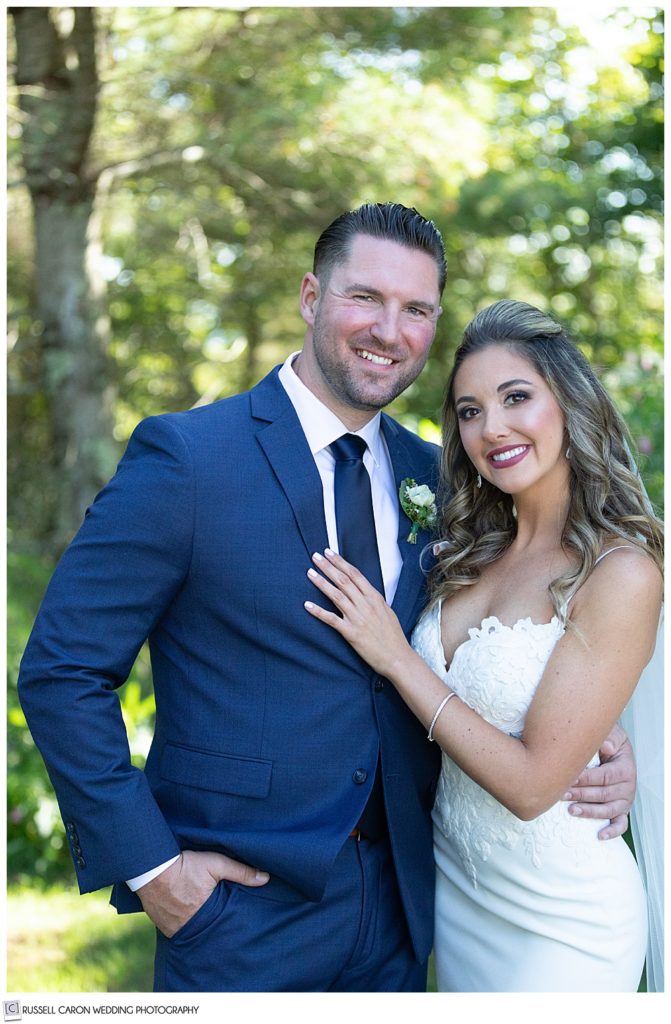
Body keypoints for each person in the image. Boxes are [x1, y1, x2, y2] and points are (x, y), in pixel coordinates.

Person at [18, 209, 637, 993]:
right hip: (236, 917)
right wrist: (152, 869)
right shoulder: (188, 460)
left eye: (415, 310)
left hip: (408, 912)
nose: (389, 329)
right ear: (311, 297)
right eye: (364, 298)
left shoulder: (447, 481)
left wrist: (598, 731)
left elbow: (533, 619)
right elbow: (62, 671)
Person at [305, 298, 663, 992]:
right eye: (468, 411)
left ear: (569, 402)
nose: (489, 428)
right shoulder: (465, 550)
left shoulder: (619, 571)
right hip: (458, 896)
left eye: (515, 398)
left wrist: (398, 658)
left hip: (562, 918)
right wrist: (599, 731)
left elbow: (533, 787)